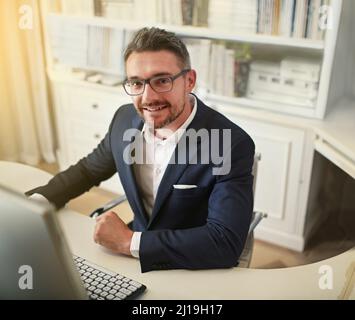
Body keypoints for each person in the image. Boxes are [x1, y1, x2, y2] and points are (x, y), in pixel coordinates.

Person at [26, 27, 255, 273]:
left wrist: (129, 241)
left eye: (162, 80)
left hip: (194, 267)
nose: (148, 97)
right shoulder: (124, 120)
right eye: (136, 83)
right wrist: (34, 203)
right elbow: (87, 171)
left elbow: (224, 243)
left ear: (189, 81)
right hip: (134, 258)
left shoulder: (229, 142)